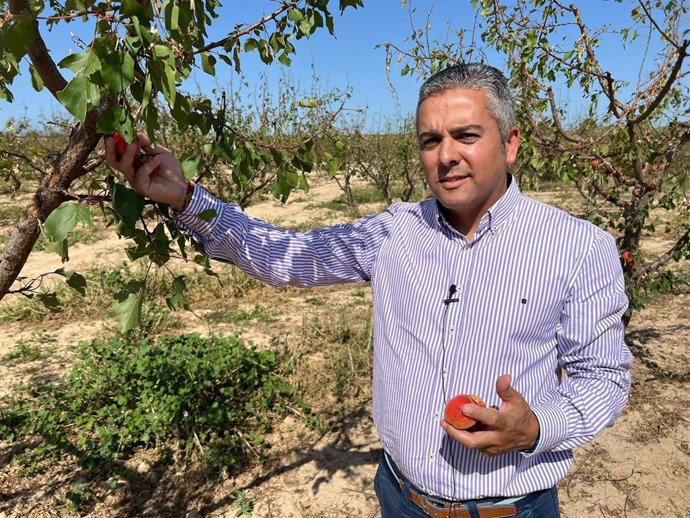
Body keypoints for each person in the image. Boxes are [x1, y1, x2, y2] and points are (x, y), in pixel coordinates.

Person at [106, 63, 632, 518]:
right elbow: (287, 258)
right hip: (402, 498)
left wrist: (537, 426)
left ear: (510, 142)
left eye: (466, 135)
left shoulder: (578, 248)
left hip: (512, 507)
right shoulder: (392, 233)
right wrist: (185, 198)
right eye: (430, 140)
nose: (445, 156)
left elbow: (604, 377)